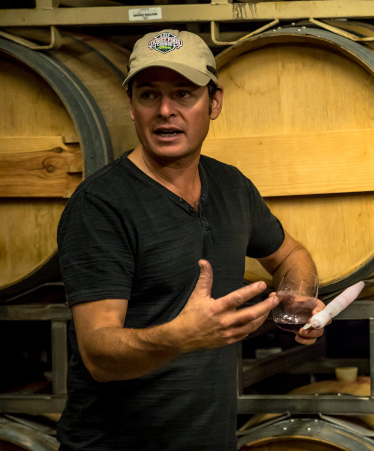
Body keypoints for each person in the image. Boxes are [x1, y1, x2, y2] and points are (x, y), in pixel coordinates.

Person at [56, 29, 325, 450]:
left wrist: (294, 301)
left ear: (213, 103)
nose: (165, 110)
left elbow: (292, 253)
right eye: (148, 95)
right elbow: (98, 354)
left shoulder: (231, 187)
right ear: (131, 106)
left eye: (184, 94)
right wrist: (181, 336)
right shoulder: (101, 205)